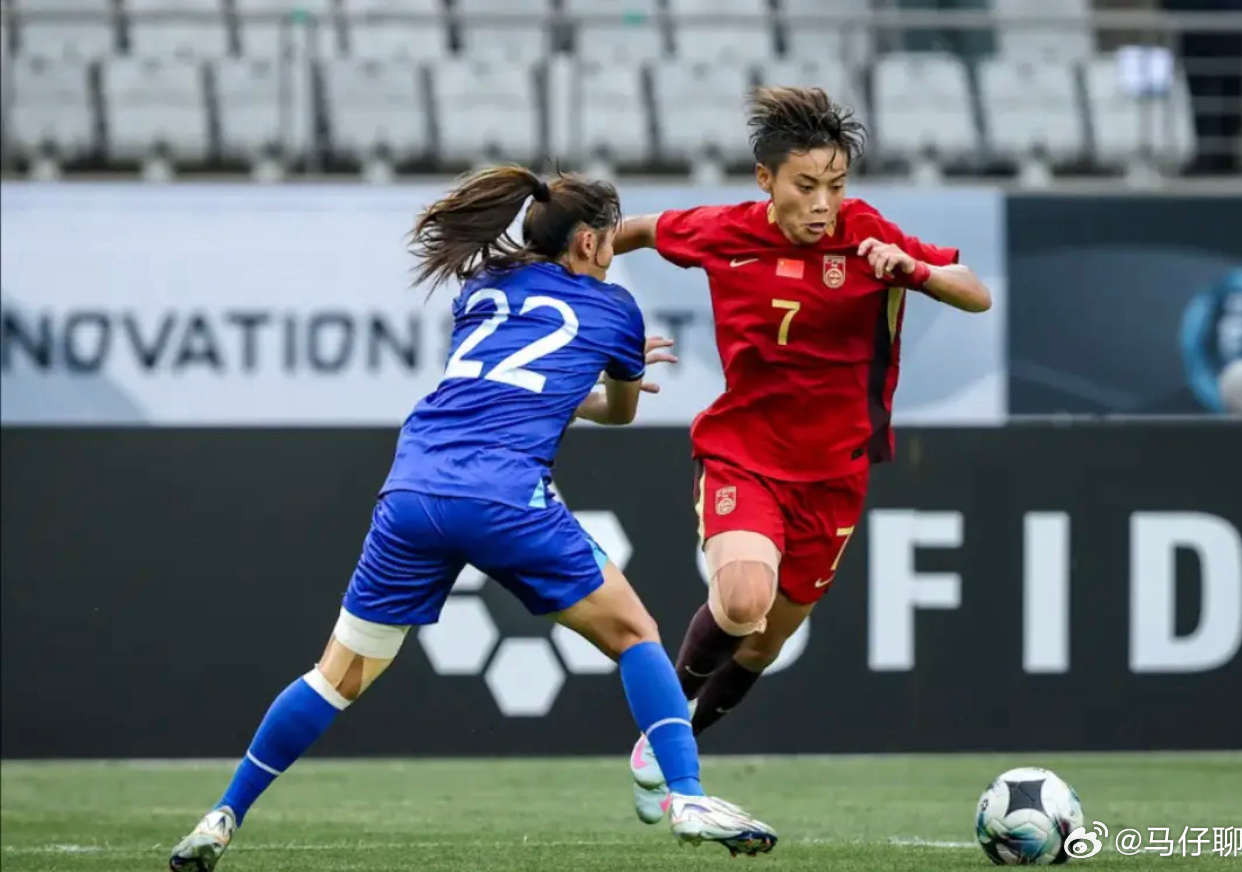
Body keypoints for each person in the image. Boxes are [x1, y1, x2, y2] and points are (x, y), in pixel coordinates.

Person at [168, 166, 778, 871]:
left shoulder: (483, 286)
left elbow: (503, 383)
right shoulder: (615, 309)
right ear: (587, 242)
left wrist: (573, 381)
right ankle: (688, 796)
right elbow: (619, 412)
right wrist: (620, 374)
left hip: (413, 489)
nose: (613, 251)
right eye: (609, 238)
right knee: (636, 634)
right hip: (503, 495)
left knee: (334, 677)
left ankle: (223, 814)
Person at [612, 87, 993, 822]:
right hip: (743, 454)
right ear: (766, 180)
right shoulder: (724, 230)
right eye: (807, 185)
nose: (824, 204)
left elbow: (975, 293)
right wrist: (571, 271)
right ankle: (664, 730)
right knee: (742, 600)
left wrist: (910, 270)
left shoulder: (867, 234)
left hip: (834, 474)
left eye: (836, 186)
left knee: (763, 645)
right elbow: (640, 231)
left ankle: (681, 733)